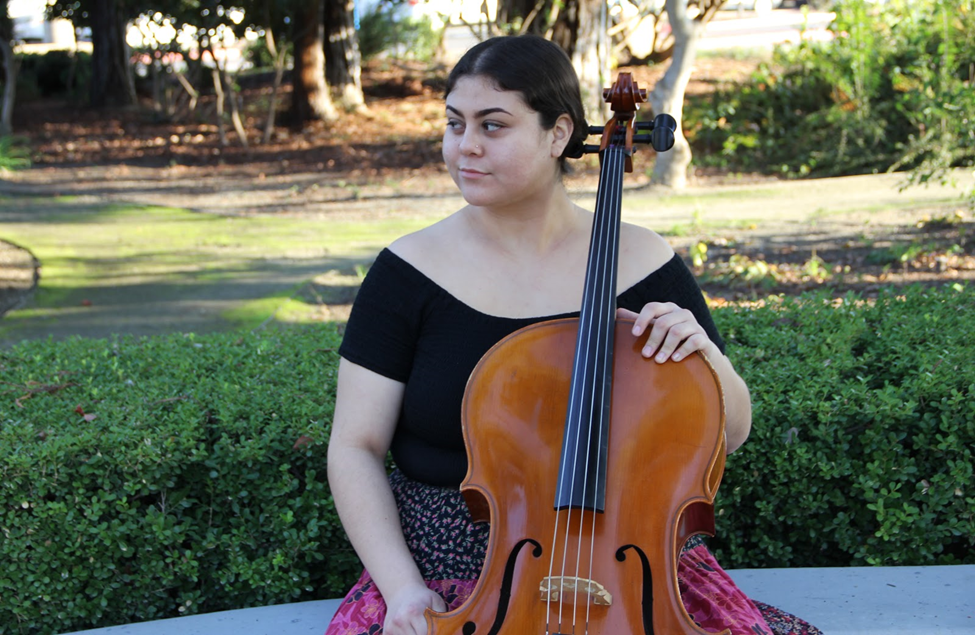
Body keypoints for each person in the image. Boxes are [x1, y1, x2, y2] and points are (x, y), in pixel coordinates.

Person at [324, 34, 821, 635]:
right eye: (455, 125)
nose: (466, 147)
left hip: (626, 561)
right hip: (450, 569)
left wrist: (705, 354)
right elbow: (355, 447)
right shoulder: (407, 272)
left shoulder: (640, 260)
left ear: (558, 134)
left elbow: (732, 432)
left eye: (494, 125)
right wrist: (403, 590)